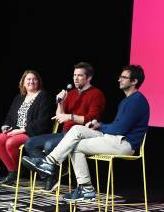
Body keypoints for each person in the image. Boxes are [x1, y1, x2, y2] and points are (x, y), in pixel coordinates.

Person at [22, 64, 149, 202]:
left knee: (74, 142)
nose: (119, 80)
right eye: (120, 77)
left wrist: (99, 126)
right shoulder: (127, 100)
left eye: (124, 77)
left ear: (134, 81)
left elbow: (119, 129)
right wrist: (99, 125)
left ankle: (50, 163)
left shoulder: (136, 100)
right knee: (76, 134)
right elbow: (115, 127)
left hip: (124, 143)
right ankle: (83, 187)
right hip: (114, 138)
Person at [23, 61, 106, 191]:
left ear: (89, 78)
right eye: (74, 75)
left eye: (80, 75)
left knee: (49, 145)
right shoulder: (71, 93)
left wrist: (70, 117)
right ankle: (51, 175)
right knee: (30, 143)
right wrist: (60, 103)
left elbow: (92, 119)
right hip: (64, 133)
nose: (76, 78)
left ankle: (53, 172)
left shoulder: (96, 94)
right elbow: (60, 117)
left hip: (82, 135)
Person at [0, 70, 54, 185]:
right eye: (28, 79)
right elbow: (10, 116)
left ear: (38, 81)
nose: (31, 81)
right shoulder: (19, 97)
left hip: (33, 132)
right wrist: (6, 126)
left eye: (34, 79)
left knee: (10, 143)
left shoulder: (44, 96)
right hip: (16, 130)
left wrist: (22, 130)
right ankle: (13, 171)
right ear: (23, 83)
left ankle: (18, 171)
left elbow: (43, 121)